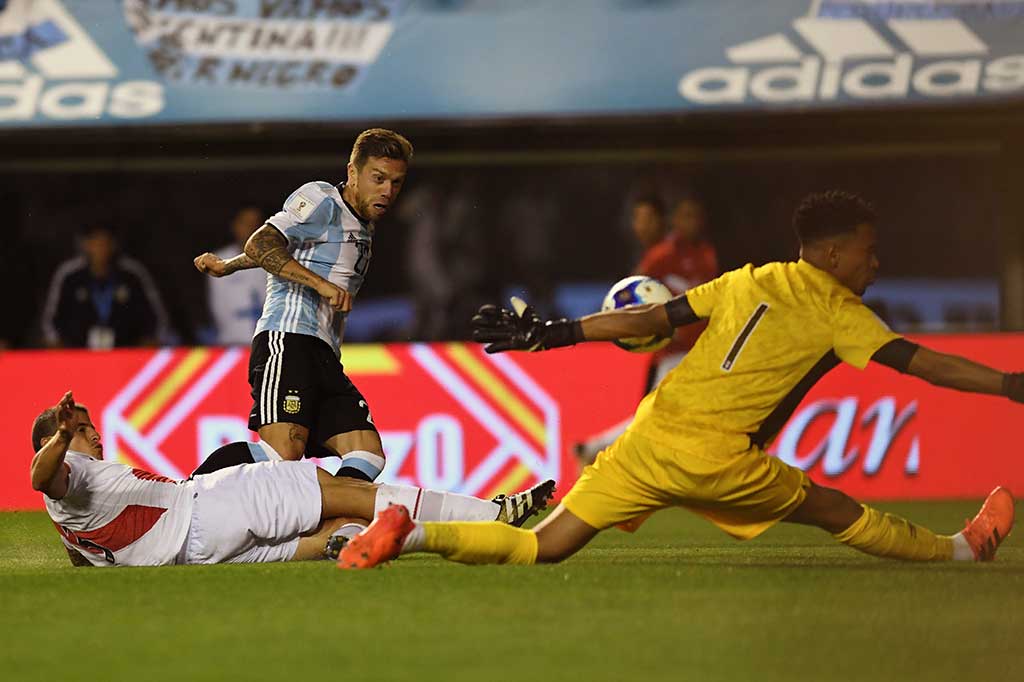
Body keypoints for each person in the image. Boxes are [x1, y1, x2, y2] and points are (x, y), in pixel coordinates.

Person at [338, 190, 1021, 570]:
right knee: (834, 509)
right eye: (869, 253)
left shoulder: (747, 278)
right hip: (720, 459)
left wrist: (554, 333)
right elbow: (926, 363)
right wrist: (1009, 385)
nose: (876, 264)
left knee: (544, 545)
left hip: (650, 437)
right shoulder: (842, 313)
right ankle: (962, 550)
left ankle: (413, 533)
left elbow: (650, 318)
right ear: (836, 254)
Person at [30, 392, 554, 568]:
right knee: (353, 493)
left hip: (199, 555)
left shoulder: (69, 520)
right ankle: (494, 514)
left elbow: (84, 559)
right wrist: (62, 436)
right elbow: (41, 476)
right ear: (56, 441)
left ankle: (356, 543)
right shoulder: (70, 473)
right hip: (212, 504)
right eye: (82, 429)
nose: (93, 435)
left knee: (327, 536)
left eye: (89, 427)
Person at [193, 128, 412, 482]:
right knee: (281, 457)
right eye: (378, 178)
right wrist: (321, 285)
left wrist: (228, 266)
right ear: (353, 172)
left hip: (324, 353)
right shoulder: (323, 199)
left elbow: (287, 248)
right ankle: (188, 494)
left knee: (367, 454)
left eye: (396, 182)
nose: (387, 190)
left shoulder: (364, 223)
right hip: (288, 339)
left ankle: (331, 518)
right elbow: (262, 243)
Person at [575, 193, 720, 465]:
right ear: (674, 220)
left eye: (696, 216)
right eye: (686, 216)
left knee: (665, 422)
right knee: (653, 422)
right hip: (672, 356)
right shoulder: (661, 256)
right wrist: (656, 329)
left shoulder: (707, 255)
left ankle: (596, 450)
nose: (693, 222)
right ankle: (596, 450)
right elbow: (628, 296)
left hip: (702, 352)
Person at [41, 225, 170, 349]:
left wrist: (150, 342)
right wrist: (58, 345)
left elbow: (158, 320)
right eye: (95, 243)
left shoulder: (132, 274)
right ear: (85, 245)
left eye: (104, 243)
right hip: (78, 354)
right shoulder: (69, 275)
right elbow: (50, 323)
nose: (100, 248)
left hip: (126, 353)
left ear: (114, 245)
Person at [206, 206, 268, 345]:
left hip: (268, 343)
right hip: (232, 343)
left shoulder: (276, 259)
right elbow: (218, 309)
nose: (251, 228)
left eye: (256, 224)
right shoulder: (219, 260)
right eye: (246, 223)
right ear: (234, 226)